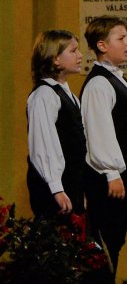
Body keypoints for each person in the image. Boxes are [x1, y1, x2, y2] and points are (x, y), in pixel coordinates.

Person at [79, 16, 127, 284]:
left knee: (116, 240)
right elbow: (99, 132)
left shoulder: (116, 79)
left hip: (124, 176)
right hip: (107, 181)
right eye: (121, 38)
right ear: (102, 45)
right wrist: (111, 172)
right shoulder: (99, 84)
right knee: (105, 244)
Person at [26, 30, 89, 220]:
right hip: (54, 187)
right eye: (73, 51)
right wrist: (56, 187)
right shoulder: (44, 95)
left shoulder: (67, 95)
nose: (80, 56)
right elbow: (44, 144)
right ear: (55, 59)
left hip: (70, 183)